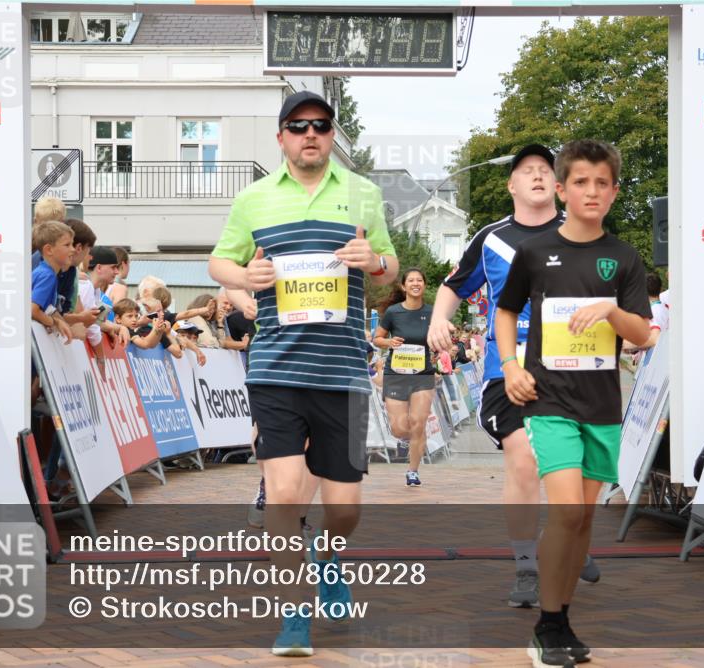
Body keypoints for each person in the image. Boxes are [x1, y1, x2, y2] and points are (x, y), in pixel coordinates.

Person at [208, 89, 397, 656]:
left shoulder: (364, 194)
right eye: (298, 126)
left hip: (341, 372)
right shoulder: (255, 198)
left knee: (345, 508)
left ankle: (330, 554)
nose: (309, 134)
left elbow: (389, 271)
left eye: (320, 125)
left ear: (332, 133)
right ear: (282, 137)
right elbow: (219, 260)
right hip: (276, 368)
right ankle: (294, 617)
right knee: (286, 495)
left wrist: (376, 263)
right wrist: (244, 277)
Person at [495, 140, 651, 667]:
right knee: (565, 511)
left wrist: (610, 310)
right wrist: (512, 367)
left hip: (602, 407)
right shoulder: (535, 254)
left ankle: (561, 620)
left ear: (613, 192)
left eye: (601, 183)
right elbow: (505, 311)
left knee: (582, 520)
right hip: (548, 402)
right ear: (562, 190)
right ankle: (547, 625)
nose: (591, 191)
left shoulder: (624, 258)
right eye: (580, 182)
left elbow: (644, 335)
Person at [427, 144, 598, 610]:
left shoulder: (581, 231)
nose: (538, 176)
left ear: (559, 184)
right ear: (513, 184)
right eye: (528, 171)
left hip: (570, 370)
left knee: (577, 468)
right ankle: (526, 566)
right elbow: (453, 286)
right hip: (507, 370)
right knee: (524, 458)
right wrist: (439, 319)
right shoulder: (492, 238)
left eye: (546, 170)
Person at [372, 268, 436, 486]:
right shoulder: (393, 312)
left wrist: (441, 342)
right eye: (411, 280)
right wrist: (389, 342)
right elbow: (376, 338)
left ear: (424, 285)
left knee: (418, 423)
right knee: (399, 428)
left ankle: (413, 471)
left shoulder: (432, 312)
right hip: (396, 374)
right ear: (403, 286)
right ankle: (410, 440)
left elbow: (441, 337)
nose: (415, 283)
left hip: (422, 375)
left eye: (420, 280)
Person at [78, 245, 130, 349]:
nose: (116, 272)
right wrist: (101, 356)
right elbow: (90, 325)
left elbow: (98, 322)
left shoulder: (95, 289)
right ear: (99, 267)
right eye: (113, 267)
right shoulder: (85, 286)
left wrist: (118, 328)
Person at [31, 221, 75, 343]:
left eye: (72, 244)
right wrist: (54, 322)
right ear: (49, 249)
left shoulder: (46, 272)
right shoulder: (47, 275)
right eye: (67, 245)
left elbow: (47, 307)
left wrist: (60, 322)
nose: (73, 249)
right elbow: (33, 310)